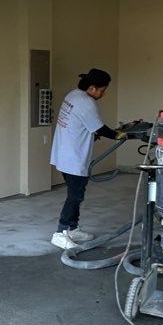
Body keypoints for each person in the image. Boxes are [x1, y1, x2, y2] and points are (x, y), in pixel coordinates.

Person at [50, 68, 124, 250]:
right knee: (75, 196)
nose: (103, 93)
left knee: (75, 194)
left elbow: (81, 124)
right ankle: (60, 233)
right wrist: (117, 135)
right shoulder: (86, 102)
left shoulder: (73, 95)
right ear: (92, 88)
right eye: (102, 89)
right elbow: (99, 128)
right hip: (73, 158)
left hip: (63, 153)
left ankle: (73, 229)